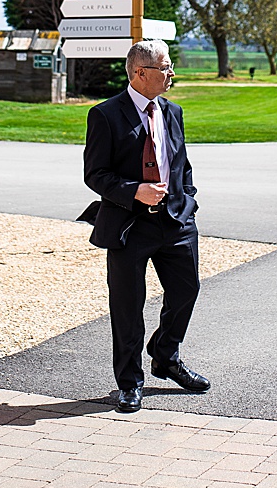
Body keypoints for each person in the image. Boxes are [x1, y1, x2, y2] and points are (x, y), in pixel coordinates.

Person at [76, 39, 210, 413]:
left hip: (177, 221)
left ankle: (165, 356)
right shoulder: (105, 115)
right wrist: (135, 191)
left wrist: (189, 201)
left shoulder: (173, 111)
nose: (172, 74)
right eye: (165, 68)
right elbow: (95, 175)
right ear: (139, 73)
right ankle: (130, 383)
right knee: (127, 307)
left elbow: (180, 163)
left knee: (186, 291)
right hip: (130, 226)